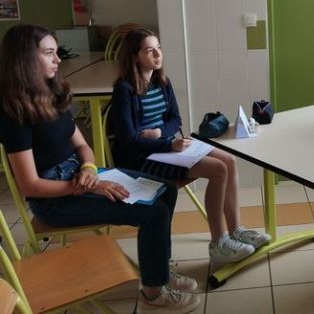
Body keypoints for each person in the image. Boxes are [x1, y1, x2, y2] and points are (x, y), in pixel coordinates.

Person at [0, 25, 200, 314]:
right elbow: (30, 185)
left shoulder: (51, 94)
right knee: (154, 213)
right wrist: (89, 184)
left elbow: (83, 147)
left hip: (81, 176)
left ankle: (159, 271)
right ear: (24, 60)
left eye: (56, 52)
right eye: (49, 53)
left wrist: (90, 169)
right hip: (54, 201)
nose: (58, 59)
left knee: (166, 190)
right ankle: (153, 294)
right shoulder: (14, 114)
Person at [111, 28, 271, 264]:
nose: (157, 54)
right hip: (142, 156)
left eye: (158, 48)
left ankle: (236, 230)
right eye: (149, 50)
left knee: (229, 160)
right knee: (218, 169)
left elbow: (175, 120)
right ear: (135, 56)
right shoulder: (123, 90)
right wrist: (167, 145)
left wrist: (159, 133)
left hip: (166, 145)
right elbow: (128, 140)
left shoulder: (161, 82)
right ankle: (219, 242)